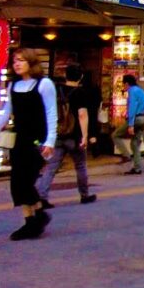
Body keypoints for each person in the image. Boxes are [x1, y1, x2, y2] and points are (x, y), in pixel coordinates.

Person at [0, 49, 57, 240]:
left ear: (31, 62)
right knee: (17, 181)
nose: (17, 64)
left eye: (21, 60)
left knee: (26, 180)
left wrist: (50, 140)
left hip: (38, 139)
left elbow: (51, 113)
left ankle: (37, 218)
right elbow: (6, 113)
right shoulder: (13, 85)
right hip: (20, 138)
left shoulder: (44, 84)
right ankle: (33, 218)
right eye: (14, 61)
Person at [37, 65, 98, 206]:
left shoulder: (57, 90)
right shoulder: (80, 93)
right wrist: (85, 136)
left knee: (51, 167)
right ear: (81, 77)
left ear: (65, 75)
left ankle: (42, 196)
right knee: (81, 165)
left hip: (57, 134)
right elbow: (82, 115)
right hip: (74, 136)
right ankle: (84, 195)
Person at [114, 74, 144, 175]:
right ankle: (137, 168)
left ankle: (126, 156)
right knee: (134, 144)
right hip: (142, 119)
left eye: (123, 84)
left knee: (115, 135)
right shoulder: (140, 90)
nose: (123, 87)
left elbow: (132, 108)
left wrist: (130, 124)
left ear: (126, 83)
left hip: (136, 119)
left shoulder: (132, 91)